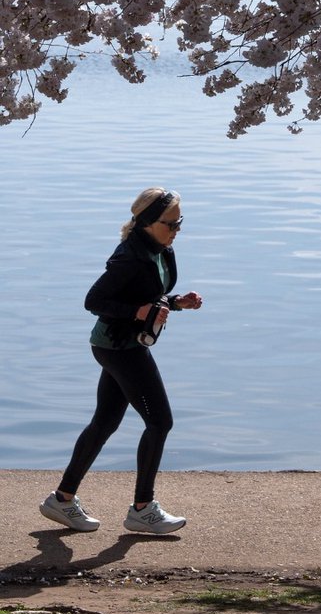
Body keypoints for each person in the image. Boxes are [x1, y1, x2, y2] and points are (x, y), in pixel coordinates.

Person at [39, 187, 202, 535]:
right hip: (118, 347)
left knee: (105, 423)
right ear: (146, 222)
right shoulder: (129, 256)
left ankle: (62, 500)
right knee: (160, 422)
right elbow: (94, 300)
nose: (176, 230)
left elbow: (149, 295)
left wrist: (175, 303)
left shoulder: (161, 250)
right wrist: (137, 311)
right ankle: (143, 509)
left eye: (179, 223)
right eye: (170, 223)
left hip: (123, 346)